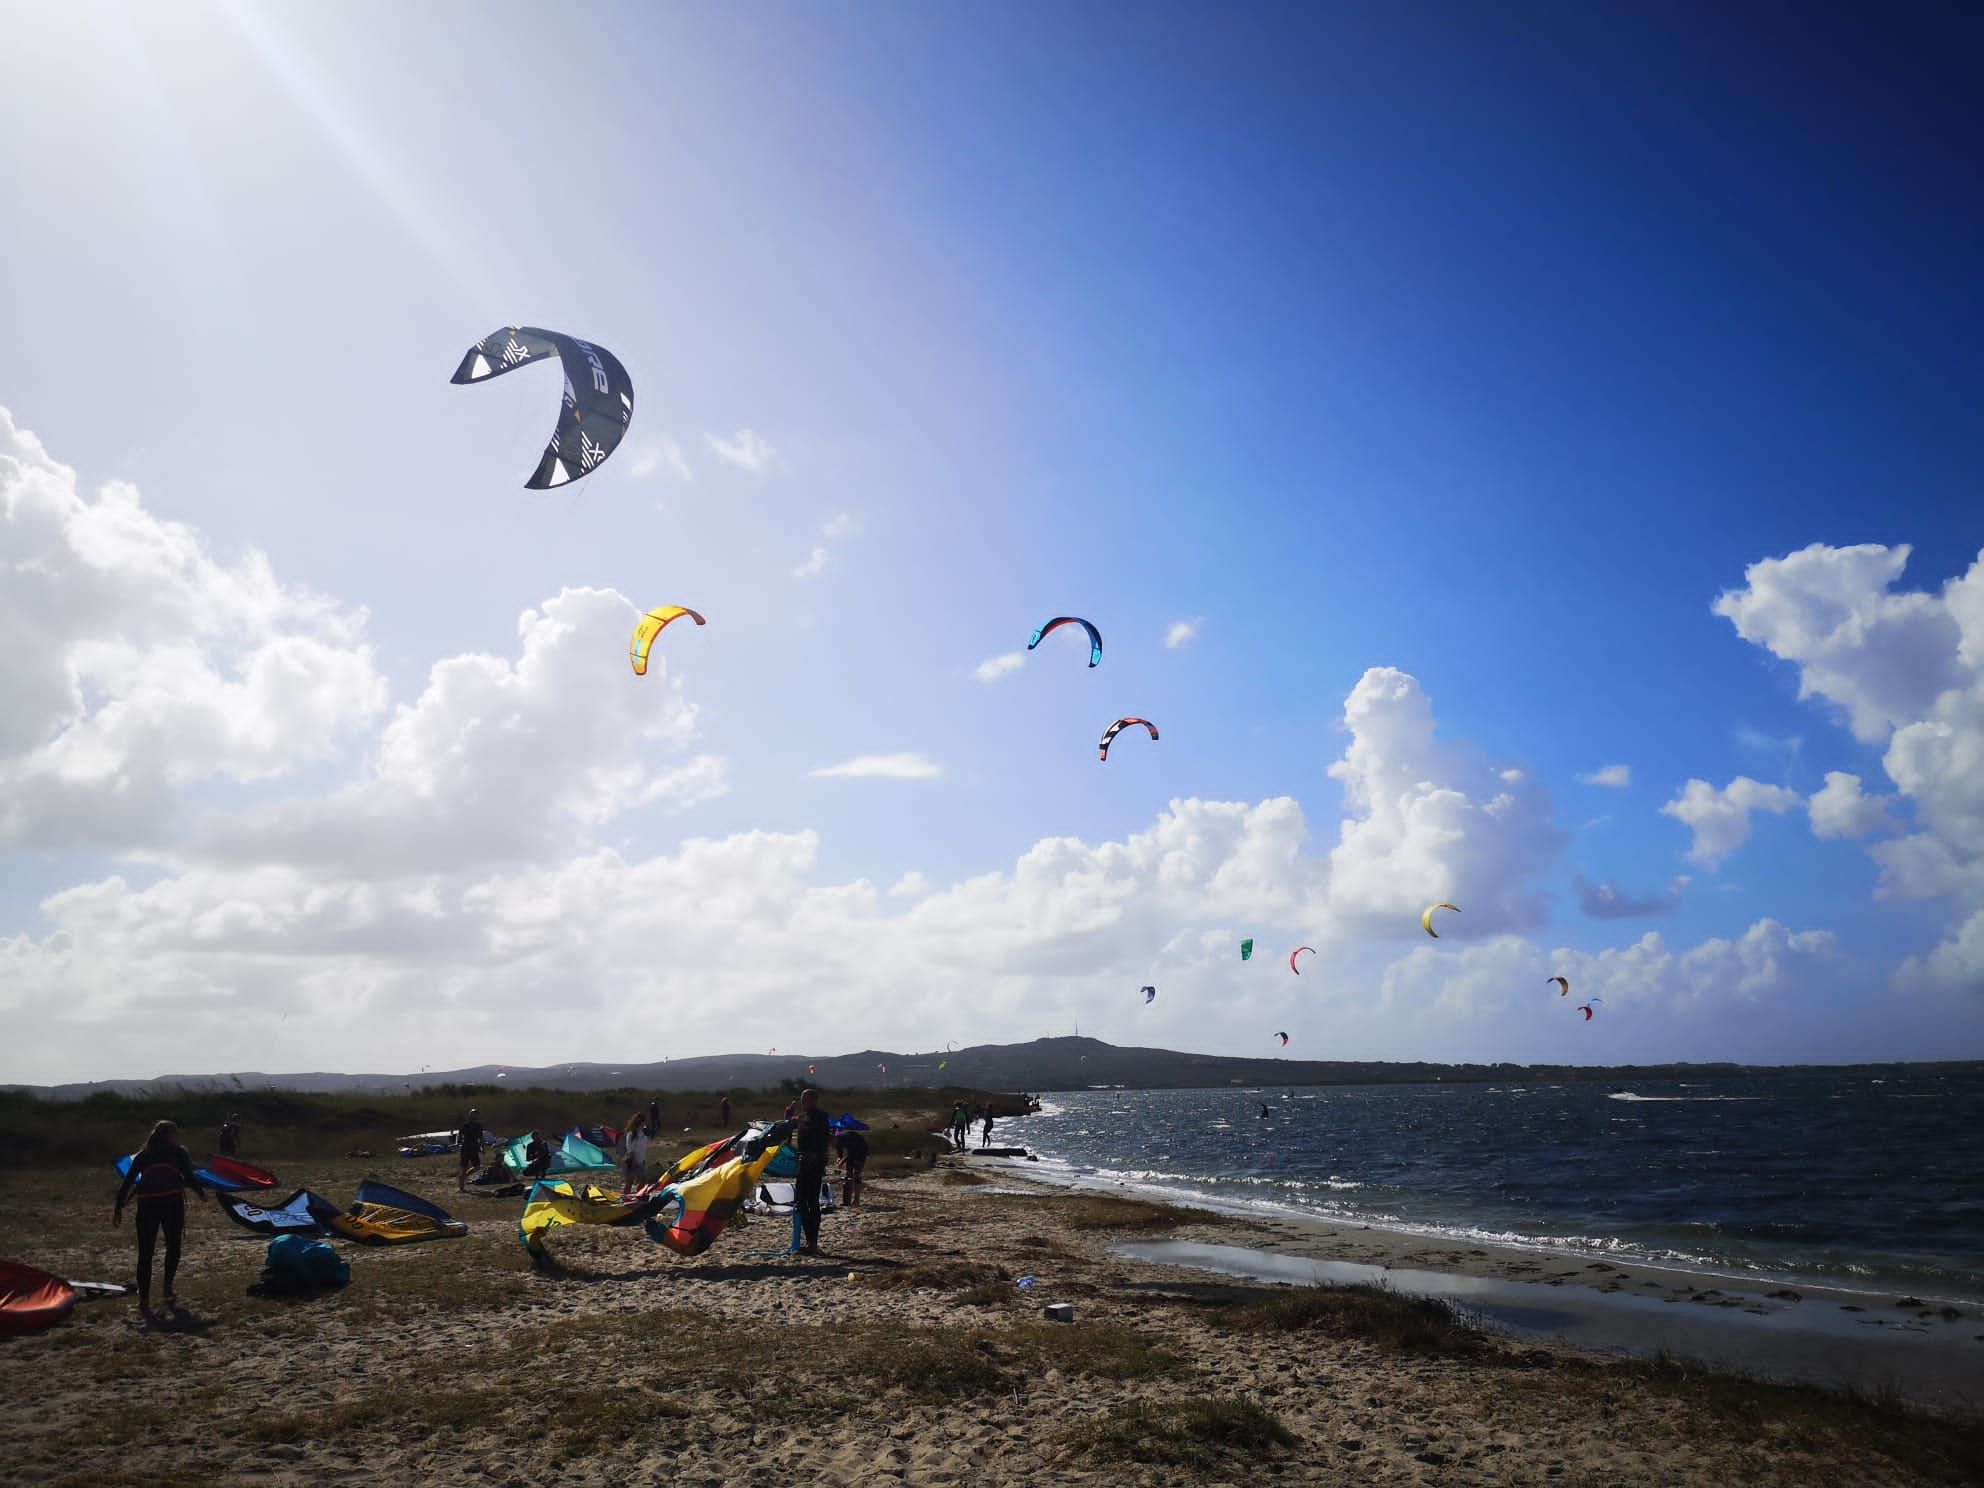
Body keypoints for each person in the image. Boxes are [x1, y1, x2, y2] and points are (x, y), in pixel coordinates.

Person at [113, 1120, 212, 1310]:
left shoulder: (144, 1155)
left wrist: (118, 1208)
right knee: (173, 1246)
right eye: (175, 1134)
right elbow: (189, 1177)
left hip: (147, 1204)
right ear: (170, 1135)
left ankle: (144, 1299)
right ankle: (167, 1286)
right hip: (171, 1203)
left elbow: (127, 1183)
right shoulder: (179, 1152)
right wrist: (200, 1193)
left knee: (145, 1252)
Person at [793, 1089, 830, 1256]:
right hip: (803, 1165)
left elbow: (822, 1141)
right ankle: (808, 1241)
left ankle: (812, 1243)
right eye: (802, 1100)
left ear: (814, 1101)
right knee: (800, 1202)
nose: (803, 1103)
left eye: (806, 1100)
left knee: (812, 1202)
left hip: (814, 1166)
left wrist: (816, 1158)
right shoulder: (802, 1118)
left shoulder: (820, 1117)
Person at [834, 1128, 869, 1208]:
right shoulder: (836, 1142)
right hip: (852, 1153)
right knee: (848, 1176)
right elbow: (840, 1151)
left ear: (835, 1138)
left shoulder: (847, 1137)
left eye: (832, 1143)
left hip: (861, 1151)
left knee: (856, 1174)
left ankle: (856, 1200)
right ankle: (847, 1200)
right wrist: (839, 1157)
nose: (832, 1146)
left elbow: (851, 1153)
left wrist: (842, 1161)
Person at [457, 1108, 485, 1193]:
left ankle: (464, 1177)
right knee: (464, 1168)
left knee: (477, 1167)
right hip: (465, 1148)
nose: (475, 1116)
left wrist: (482, 1147)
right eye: (473, 1114)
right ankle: (461, 1188)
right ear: (470, 1115)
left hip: (474, 1148)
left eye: (476, 1114)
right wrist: (458, 1143)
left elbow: (481, 1138)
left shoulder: (479, 1126)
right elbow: (459, 1135)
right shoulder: (466, 1125)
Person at [621, 1112, 650, 1191]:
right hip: (632, 1162)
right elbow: (630, 1150)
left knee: (643, 1180)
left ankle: (638, 1197)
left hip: (641, 1161)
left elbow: (643, 1148)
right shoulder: (631, 1134)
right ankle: (624, 1199)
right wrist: (634, 1164)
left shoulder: (643, 1134)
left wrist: (643, 1161)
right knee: (629, 1182)